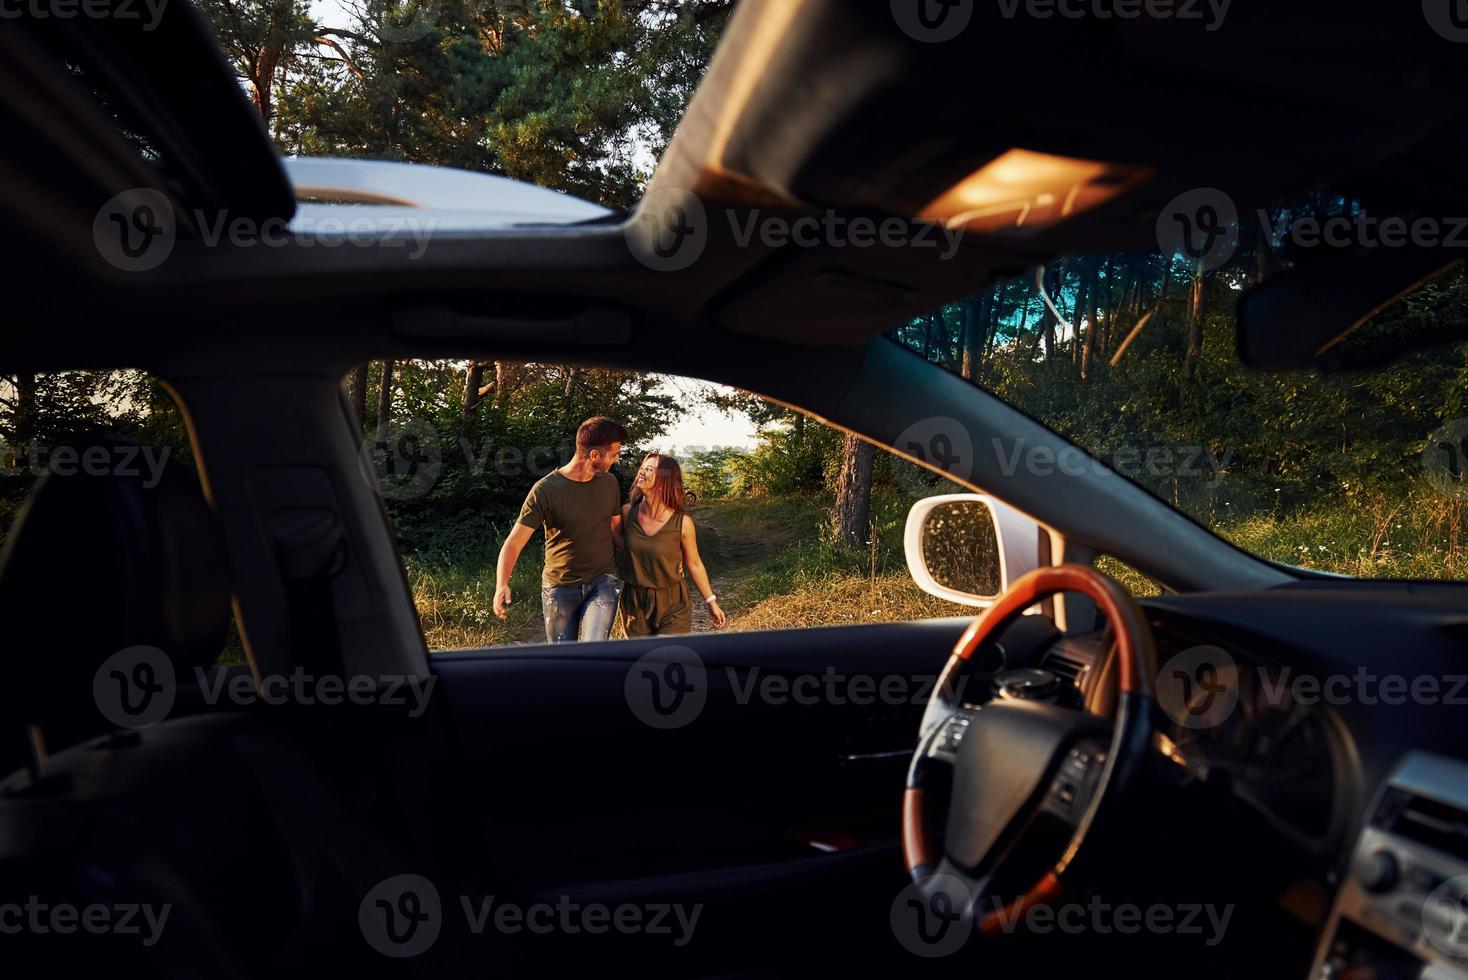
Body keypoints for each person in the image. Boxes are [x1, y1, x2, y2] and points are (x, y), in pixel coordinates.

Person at [493, 417, 626, 643]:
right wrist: (501, 584)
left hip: (603, 581)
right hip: (559, 587)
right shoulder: (545, 490)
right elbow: (515, 542)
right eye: (614, 454)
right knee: (565, 659)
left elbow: (617, 531)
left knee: (595, 650)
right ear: (595, 455)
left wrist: (655, 557)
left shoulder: (610, 483)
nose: (617, 459)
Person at [614, 453, 726, 636]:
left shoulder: (683, 523)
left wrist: (711, 601)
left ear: (664, 480)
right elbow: (619, 542)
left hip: (673, 601)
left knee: (667, 654)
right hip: (635, 602)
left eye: (649, 469)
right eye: (642, 468)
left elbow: (695, 563)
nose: (641, 472)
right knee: (641, 660)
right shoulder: (627, 512)